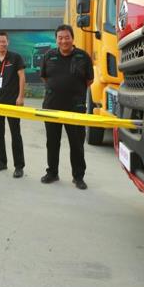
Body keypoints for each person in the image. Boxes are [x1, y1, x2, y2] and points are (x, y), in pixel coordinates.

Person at [40, 24, 94, 190]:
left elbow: (89, 80)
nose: (64, 41)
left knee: (77, 143)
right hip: (52, 106)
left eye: (66, 37)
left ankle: (78, 177)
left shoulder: (83, 57)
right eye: (60, 38)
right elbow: (44, 77)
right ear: (56, 39)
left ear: (72, 38)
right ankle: (52, 172)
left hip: (75, 108)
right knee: (52, 142)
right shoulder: (49, 56)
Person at [0, 29, 27, 178]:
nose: (1, 44)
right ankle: (1, 161)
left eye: (3, 41)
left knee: (15, 133)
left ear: (7, 42)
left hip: (12, 102)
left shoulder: (15, 58)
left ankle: (19, 166)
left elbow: (22, 77)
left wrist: (20, 96)